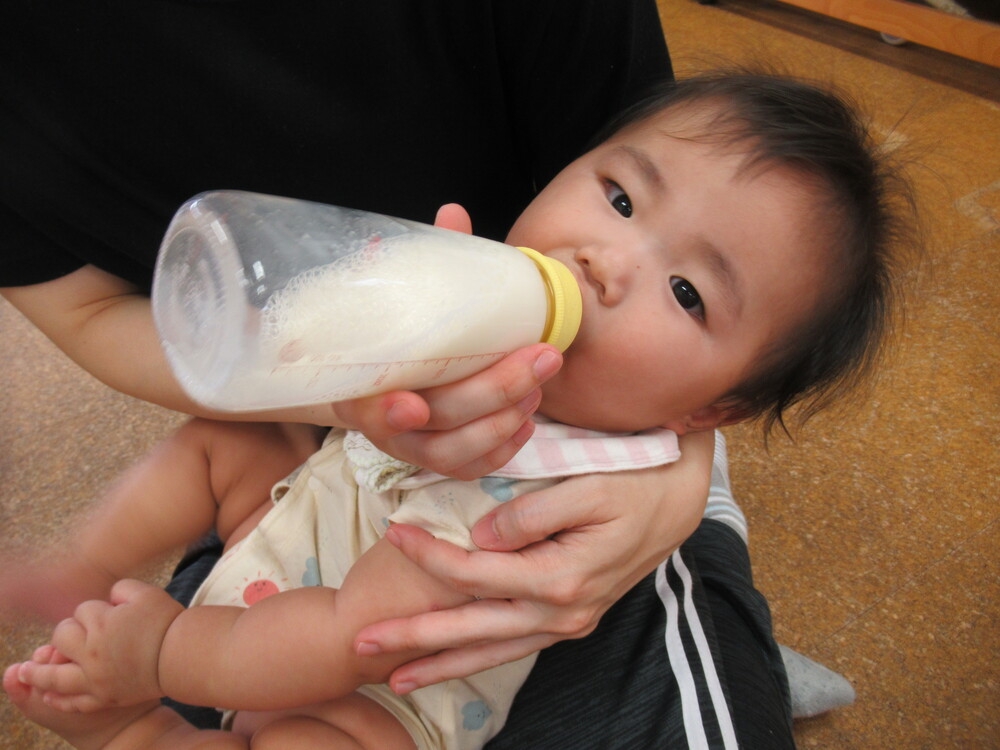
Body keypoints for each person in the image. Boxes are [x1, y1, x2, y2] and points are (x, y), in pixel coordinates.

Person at [4, 72, 905, 749]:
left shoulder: (541, 507)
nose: (605, 260)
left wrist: (163, 655)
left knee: (309, 741)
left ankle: (144, 731)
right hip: (306, 524)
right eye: (621, 197)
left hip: (366, 680)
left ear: (718, 405)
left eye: (685, 290)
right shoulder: (480, 289)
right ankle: (80, 565)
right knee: (225, 440)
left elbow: (355, 635)